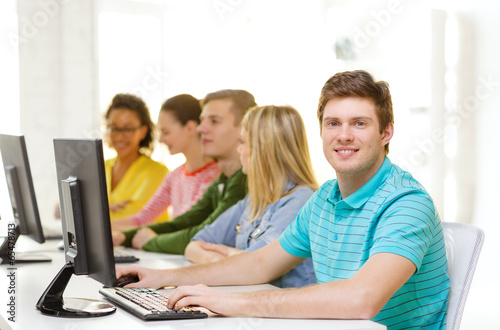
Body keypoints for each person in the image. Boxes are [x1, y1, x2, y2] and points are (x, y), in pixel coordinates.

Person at [116, 70, 451, 329]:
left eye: (359, 123)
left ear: (386, 132)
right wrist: (164, 278)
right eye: (333, 123)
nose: (344, 135)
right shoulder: (324, 199)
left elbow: (361, 299)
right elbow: (261, 263)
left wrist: (233, 302)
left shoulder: (406, 203)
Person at [185, 105, 318, 288]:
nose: (239, 150)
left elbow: (258, 266)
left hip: (290, 312)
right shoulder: (255, 200)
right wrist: (222, 258)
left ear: (264, 149)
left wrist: (233, 259)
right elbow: (194, 244)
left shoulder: (300, 201)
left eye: (242, 142)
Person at [112, 89, 256, 254]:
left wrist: (151, 241)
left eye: (214, 121)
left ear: (244, 128)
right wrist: (124, 237)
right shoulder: (224, 179)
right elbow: (183, 222)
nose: (201, 129)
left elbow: (203, 235)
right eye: (202, 121)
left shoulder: (242, 180)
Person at [111, 94, 221, 231]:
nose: (161, 139)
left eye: (166, 132)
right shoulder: (175, 176)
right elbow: (142, 219)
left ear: (190, 128)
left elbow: (187, 227)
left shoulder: (215, 177)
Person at [104, 93, 168, 221]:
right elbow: (67, 207)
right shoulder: (98, 167)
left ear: (143, 131)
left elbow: (135, 219)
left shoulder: (158, 172)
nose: (120, 136)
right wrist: (107, 209)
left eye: (128, 129)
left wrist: (97, 210)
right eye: (114, 128)